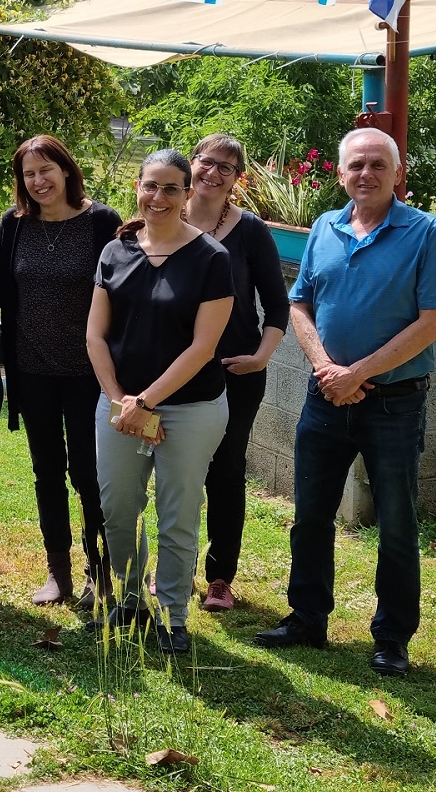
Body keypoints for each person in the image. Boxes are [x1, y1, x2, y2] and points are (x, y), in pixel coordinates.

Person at [258, 126, 436, 678]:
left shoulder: (427, 233)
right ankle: (307, 618)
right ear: (341, 173)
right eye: (356, 165)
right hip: (325, 397)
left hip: (393, 403)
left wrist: (359, 374)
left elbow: (433, 323)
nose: (366, 174)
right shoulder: (325, 226)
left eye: (378, 164)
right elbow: (298, 304)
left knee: (396, 521)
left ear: (397, 173)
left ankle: (392, 637)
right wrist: (328, 369)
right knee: (310, 515)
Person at [86, 147, 234, 655]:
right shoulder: (115, 252)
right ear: (137, 188)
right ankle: (128, 600)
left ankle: (172, 616)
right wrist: (119, 401)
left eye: (172, 188)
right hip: (120, 406)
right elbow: (95, 337)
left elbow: (203, 348)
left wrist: (145, 401)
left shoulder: (212, 259)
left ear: (188, 194)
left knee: (178, 515)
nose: (160, 197)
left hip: (190, 408)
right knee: (117, 510)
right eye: (151, 185)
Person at [0, 134, 123, 607]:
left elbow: (121, 294)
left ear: (66, 169)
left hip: (90, 372)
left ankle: (99, 570)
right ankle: (58, 571)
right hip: (31, 370)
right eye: (28, 174)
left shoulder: (101, 222)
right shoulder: (15, 224)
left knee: (90, 471)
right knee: (46, 471)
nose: (38, 180)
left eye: (46, 169)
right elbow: (5, 294)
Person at [180, 132, 291, 612]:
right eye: (207, 162)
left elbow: (278, 305)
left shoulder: (251, 231)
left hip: (235, 371)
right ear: (192, 163)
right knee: (174, 472)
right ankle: (175, 568)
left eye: (227, 167)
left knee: (225, 471)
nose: (214, 173)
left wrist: (262, 356)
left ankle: (220, 577)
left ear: (237, 179)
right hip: (171, 371)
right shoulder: (163, 217)